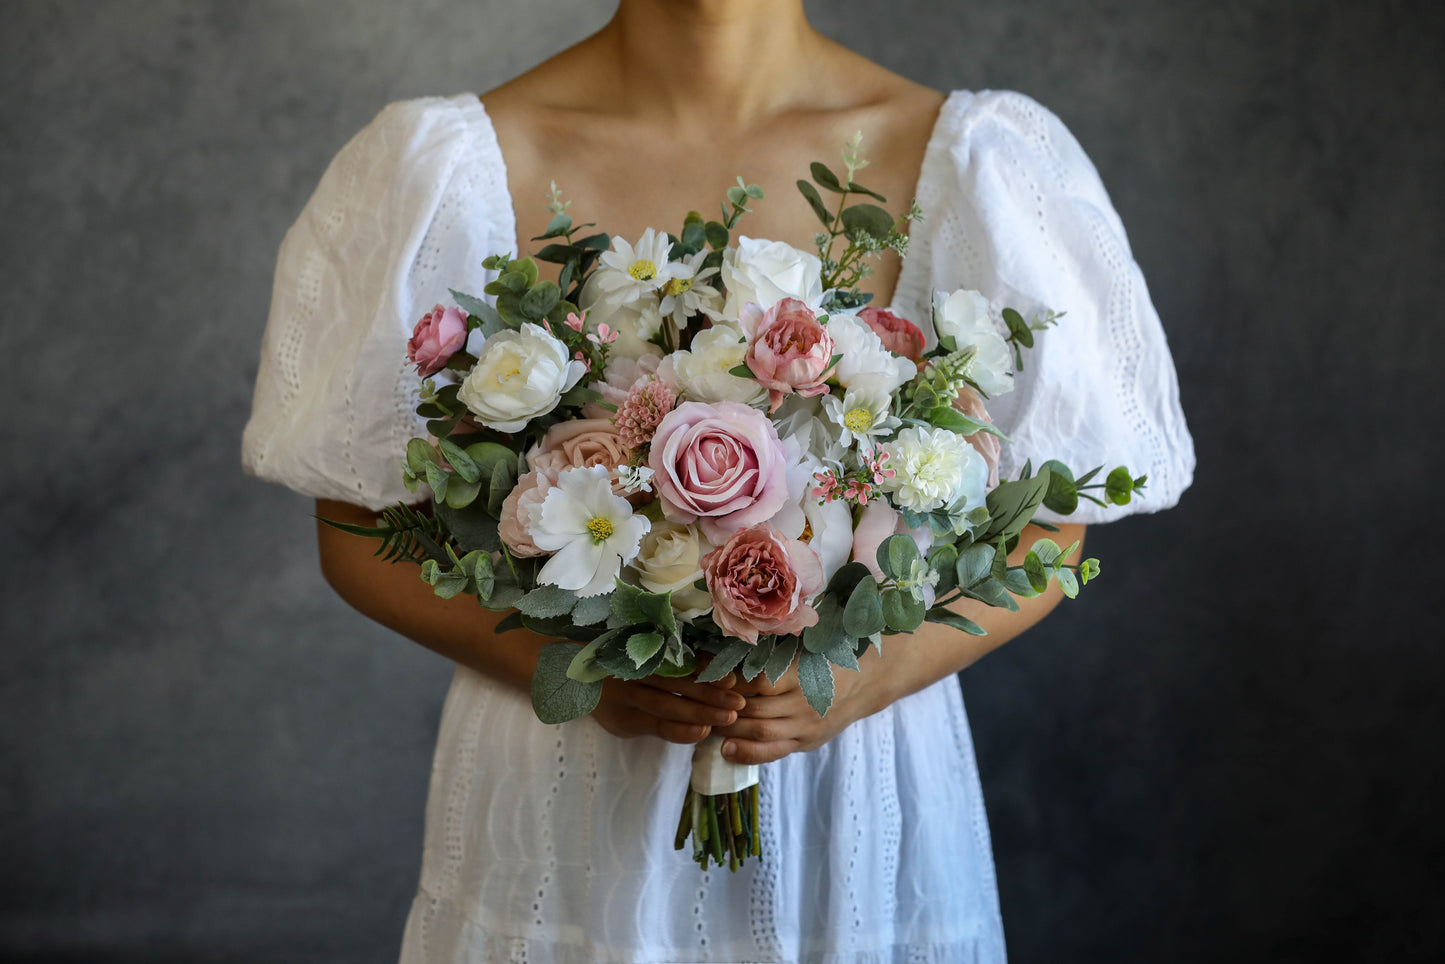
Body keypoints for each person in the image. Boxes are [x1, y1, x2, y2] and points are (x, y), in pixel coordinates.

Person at [241, 1, 1194, 960]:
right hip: (566, 790)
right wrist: (570, 672)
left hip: (849, 786)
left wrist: (870, 674)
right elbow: (356, 530)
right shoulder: (445, 165)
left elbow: (1053, 527)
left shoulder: (975, 157)